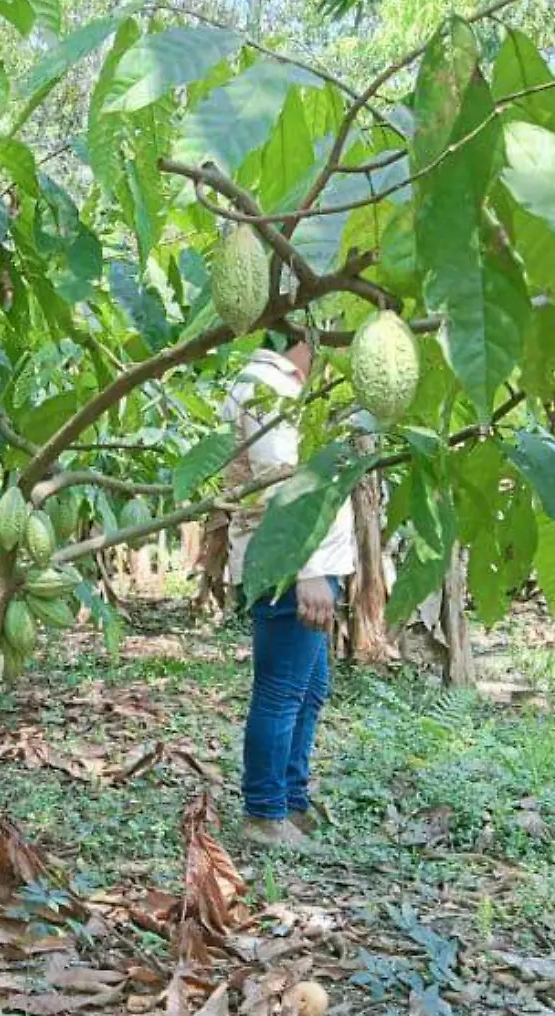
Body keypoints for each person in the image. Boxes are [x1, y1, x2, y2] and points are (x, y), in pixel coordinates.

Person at [222, 329, 354, 849]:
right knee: (281, 692)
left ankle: (291, 799)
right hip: (286, 569)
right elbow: (280, 485)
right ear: (307, 337)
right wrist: (307, 571)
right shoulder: (265, 386)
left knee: (309, 687)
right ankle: (264, 813)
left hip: (301, 566)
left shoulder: (286, 390)